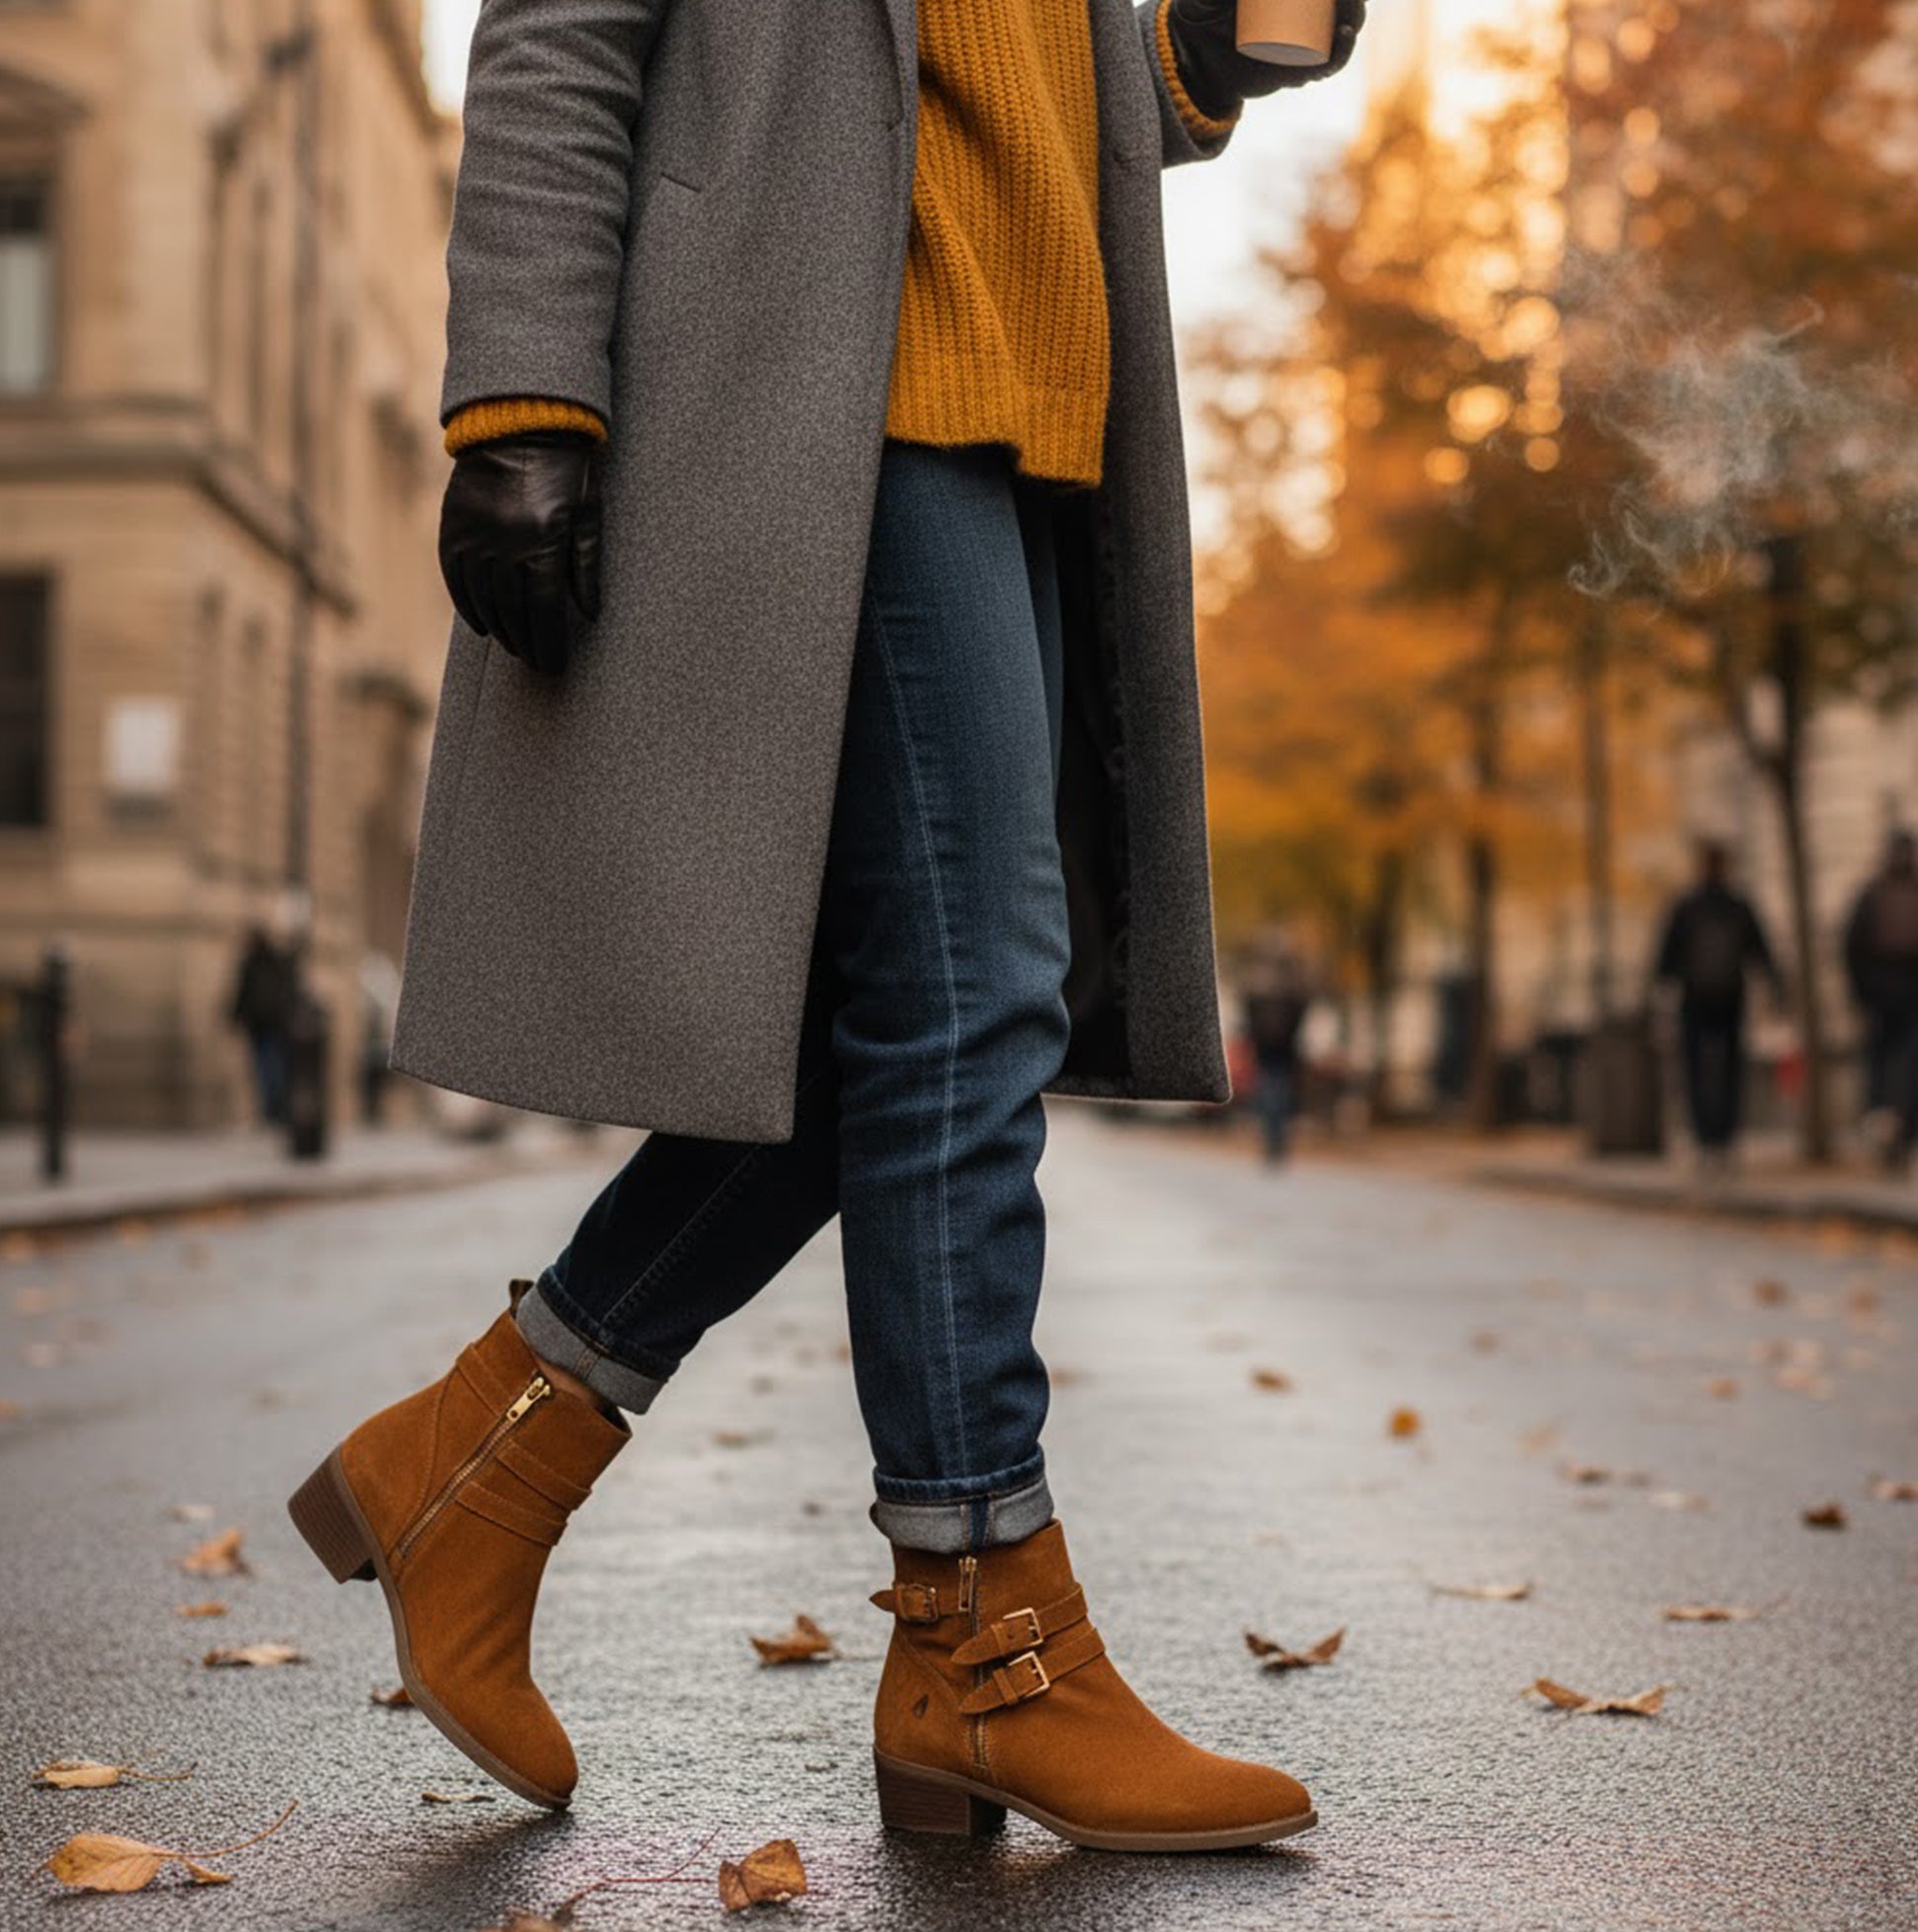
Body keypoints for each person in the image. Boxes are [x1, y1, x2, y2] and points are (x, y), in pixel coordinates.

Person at [288, 0, 1366, 1851]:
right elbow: (559, 30)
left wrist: (1217, 48)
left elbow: (1066, 102)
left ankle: (474, 1462)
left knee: (883, 1024)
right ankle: (979, 1625)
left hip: (1036, 404)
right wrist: (522, 393)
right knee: (964, 1003)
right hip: (821, 393)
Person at [1651, 841, 1783, 1169]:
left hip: (1701, 998)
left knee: (1701, 1070)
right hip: (1725, 996)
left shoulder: (1688, 906)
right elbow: (1760, 951)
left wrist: (1663, 986)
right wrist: (1774, 985)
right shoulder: (1735, 905)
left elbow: (1665, 959)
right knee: (1728, 1070)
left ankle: (1710, 1139)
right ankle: (1720, 1138)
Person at [1843, 829, 1918, 1173]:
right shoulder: (1873, 896)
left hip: (1891, 997)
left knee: (1895, 1070)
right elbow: (1852, 948)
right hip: (1884, 998)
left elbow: (1851, 948)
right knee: (1887, 1070)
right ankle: (1890, 1135)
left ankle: (1896, 1134)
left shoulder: (1873, 895)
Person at [1241, 944, 1312, 1163]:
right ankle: (1277, 1142)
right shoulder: (1292, 986)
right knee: (1278, 1097)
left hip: (1269, 1052)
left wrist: (1254, 1037)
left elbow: (1248, 1011)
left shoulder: (1257, 984)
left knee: (1269, 1097)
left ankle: (1272, 1142)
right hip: (1282, 1051)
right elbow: (1302, 1011)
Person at [227, 925, 293, 1127]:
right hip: (276, 1022)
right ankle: (276, 1106)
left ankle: (271, 1108)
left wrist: (233, 1017)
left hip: (259, 1023)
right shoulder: (278, 960)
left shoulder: (251, 962)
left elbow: (241, 992)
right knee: (274, 1063)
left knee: (264, 1064)